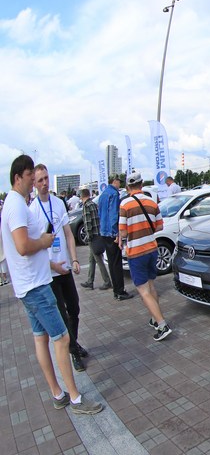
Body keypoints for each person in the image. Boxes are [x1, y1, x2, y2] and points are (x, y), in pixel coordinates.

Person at [0, 155, 103, 414]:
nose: (34, 181)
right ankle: (76, 398)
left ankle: (58, 393)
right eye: (30, 177)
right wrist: (44, 242)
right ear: (18, 177)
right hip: (36, 285)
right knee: (62, 337)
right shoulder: (18, 206)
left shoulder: (16, 204)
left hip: (28, 284)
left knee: (42, 338)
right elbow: (23, 246)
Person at [31, 164, 89, 372]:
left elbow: (67, 234)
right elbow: (34, 250)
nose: (45, 183)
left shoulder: (58, 203)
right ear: (34, 184)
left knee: (74, 309)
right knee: (62, 315)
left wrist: (74, 259)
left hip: (65, 269)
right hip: (50, 273)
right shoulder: (32, 211)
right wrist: (53, 265)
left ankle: (73, 344)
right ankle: (73, 351)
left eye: (46, 178)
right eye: (40, 180)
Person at [120, 172, 172, 341]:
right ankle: (154, 318)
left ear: (128, 187)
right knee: (151, 287)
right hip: (152, 249)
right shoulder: (151, 201)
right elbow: (159, 226)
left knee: (143, 291)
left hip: (136, 252)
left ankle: (162, 325)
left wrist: (124, 238)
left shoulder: (125, 205)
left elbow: (122, 231)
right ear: (142, 184)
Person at [98, 175, 133, 301]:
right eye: (119, 182)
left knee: (112, 263)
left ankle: (115, 291)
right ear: (115, 181)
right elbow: (114, 215)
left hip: (104, 232)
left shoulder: (102, 195)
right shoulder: (114, 194)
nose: (120, 184)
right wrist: (116, 233)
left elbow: (100, 214)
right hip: (112, 233)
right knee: (117, 263)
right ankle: (120, 291)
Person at [79, 188, 112, 291]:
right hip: (99, 235)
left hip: (93, 237)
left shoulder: (86, 206)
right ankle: (90, 281)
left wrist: (87, 238)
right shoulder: (93, 204)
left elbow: (88, 224)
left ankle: (107, 281)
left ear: (81, 196)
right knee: (92, 259)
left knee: (98, 259)